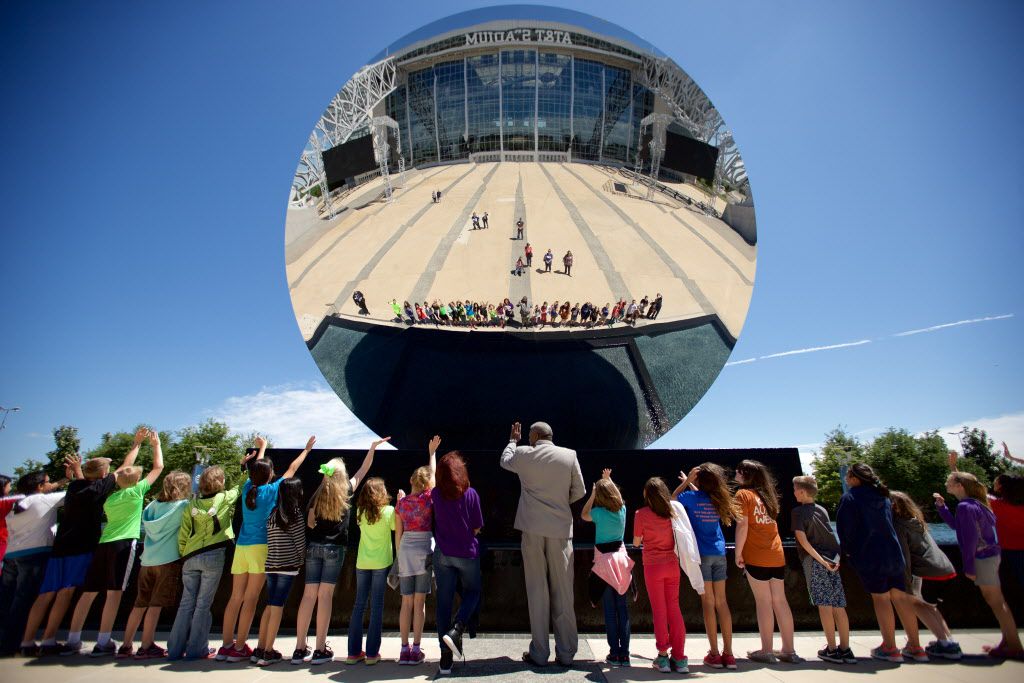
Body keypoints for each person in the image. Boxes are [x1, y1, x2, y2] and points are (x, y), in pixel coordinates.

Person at [66, 428, 165, 657]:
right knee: (114, 593)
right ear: (137, 481)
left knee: (89, 592)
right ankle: (103, 641)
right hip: (123, 545)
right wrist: (154, 444)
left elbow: (121, 470)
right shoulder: (137, 493)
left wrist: (136, 445)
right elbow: (157, 467)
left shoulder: (107, 496)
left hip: (104, 542)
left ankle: (72, 639)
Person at [293, 437, 389, 666]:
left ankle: (299, 649)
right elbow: (364, 470)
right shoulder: (346, 490)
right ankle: (319, 649)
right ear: (342, 475)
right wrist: (372, 449)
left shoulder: (316, 496)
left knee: (308, 597)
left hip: (313, 549)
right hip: (335, 550)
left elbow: (309, 524)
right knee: (325, 597)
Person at [218, 435, 313, 663]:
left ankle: (226, 646)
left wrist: (262, 449)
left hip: (241, 547)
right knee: (251, 598)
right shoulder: (272, 490)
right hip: (261, 548)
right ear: (270, 475)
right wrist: (307, 450)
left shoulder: (247, 489)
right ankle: (241, 647)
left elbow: (256, 471)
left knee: (235, 598)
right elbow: (291, 469)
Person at [501, 421, 585, 667]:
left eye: (529, 435)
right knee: (564, 591)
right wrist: (559, 503)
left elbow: (505, 460)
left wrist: (512, 440)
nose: (528, 438)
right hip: (560, 530)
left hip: (532, 529)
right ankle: (567, 652)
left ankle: (539, 652)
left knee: (537, 590)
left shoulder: (525, 454)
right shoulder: (569, 456)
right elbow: (578, 491)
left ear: (536, 436)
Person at [18, 455, 111, 656]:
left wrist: (76, 473)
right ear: (104, 474)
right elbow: (121, 471)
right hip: (80, 548)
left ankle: (27, 641)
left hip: (60, 546)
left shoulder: (72, 489)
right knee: (65, 593)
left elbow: (80, 484)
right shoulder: (95, 490)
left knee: (46, 594)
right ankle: (49, 639)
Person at [836, 462, 922, 662]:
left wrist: (849, 553)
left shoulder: (850, 498)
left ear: (855, 478)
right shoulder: (883, 496)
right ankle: (916, 646)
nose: (847, 480)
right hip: (893, 554)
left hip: (870, 556)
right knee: (901, 599)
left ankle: (890, 647)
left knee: (881, 599)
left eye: (848, 476)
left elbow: (846, 531)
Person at [935, 468, 1023, 658]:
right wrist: (942, 508)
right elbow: (957, 527)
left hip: (982, 558)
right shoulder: (976, 504)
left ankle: (1015, 646)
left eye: (949, 482)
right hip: (990, 556)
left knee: (997, 603)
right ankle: (1006, 643)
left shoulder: (966, 507)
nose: (946, 484)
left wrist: (969, 566)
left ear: (959, 486)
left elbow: (970, 540)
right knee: (997, 602)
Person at [167, 464, 241, 661]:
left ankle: (174, 649)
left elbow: (184, 532)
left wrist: (183, 552)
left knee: (185, 604)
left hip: (190, 556)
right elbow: (240, 486)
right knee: (203, 604)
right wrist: (245, 466)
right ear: (220, 483)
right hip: (213, 555)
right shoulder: (224, 498)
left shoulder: (191, 505)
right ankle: (196, 649)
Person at [734, 460, 802, 663]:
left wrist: (738, 553)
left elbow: (743, 526)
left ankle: (767, 650)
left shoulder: (742, 495)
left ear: (745, 475)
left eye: (738, 471)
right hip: (776, 555)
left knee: (763, 602)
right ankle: (789, 650)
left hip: (756, 555)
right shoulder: (768, 496)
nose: (735, 473)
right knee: (780, 601)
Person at [120, 470, 192, 659]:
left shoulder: (151, 506)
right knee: (155, 605)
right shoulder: (183, 506)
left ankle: (126, 645)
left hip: (147, 561)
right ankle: (146, 645)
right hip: (167, 561)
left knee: (139, 604)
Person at [672, 464, 738, 669]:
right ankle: (729, 654)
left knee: (708, 604)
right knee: (722, 603)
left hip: (702, 556)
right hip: (719, 554)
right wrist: (692, 482)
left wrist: (685, 482)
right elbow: (702, 499)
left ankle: (715, 654)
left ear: (699, 480)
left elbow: (672, 500)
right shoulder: (718, 499)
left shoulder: (690, 498)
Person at [0, 466, 70, 656]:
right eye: (48, 481)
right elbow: (76, 492)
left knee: (6, 601)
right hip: (34, 554)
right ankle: (15, 644)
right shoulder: (45, 500)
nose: (51, 485)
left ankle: (5, 641)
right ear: (40, 486)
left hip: (12, 555)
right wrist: (74, 477)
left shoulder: (16, 504)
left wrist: (63, 479)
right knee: (23, 602)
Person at [889, 490, 961, 660]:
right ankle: (949, 642)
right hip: (944, 568)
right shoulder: (917, 521)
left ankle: (944, 643)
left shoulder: (899, 525)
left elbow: (904, 556)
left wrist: (905, 584)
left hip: (926, 571)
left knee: (917, 605)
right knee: (930, 606)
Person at [791, 475, 854, 664]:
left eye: (795, 489)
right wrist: (834, 560)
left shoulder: (797, 513)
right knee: (838, 606)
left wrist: (820, 561)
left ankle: (832, 649)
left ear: (802, 492)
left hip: (816, 562)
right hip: (833, 562)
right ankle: (845, 649)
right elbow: (831, 538)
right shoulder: (822, 510)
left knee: (824, 606)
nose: (793, 492)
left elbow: (803, 541)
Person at [433, 451, 484, 675]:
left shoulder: (435, 494)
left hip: (443, 554)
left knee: (443, 603)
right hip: (466, 553)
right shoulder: (471, 494)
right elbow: (477, 527)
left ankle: (445, 661)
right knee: (473, 592)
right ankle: (457, 629)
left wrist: (431, 454)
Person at [634, 477, 689, 673]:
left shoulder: (640, 514)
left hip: (653, 566)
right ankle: (680, 658)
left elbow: (637, 542)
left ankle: (663, 657)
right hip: (672, 565)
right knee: (674, 608)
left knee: (659, 610)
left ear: (647, 494)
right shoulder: (671, 512)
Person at [581, 469, 633, 667]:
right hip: (621, 563)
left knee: (610, 611)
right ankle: (625, 654)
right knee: (623, 610)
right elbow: (619, 498)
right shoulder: (622, 511)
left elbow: (583, 514)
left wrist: (593, 494)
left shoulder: (598, 513)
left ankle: (614, 653)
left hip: (604, 566)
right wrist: (608, 480)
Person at [395, 436, 438, 666]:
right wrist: (432, 454)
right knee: (419, 604)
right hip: (424, 551)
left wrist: (399, 556)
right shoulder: (429, 500)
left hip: (405, 552)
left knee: (406, 603)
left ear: (411, 481)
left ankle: (403, 649)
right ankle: (416, 649)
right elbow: (433, 476)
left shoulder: (401, 504)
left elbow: (397, 534)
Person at [254, 477, 306, 666]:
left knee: (269, 605)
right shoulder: (294, 514)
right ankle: (268, 651)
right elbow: (300, 542)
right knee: (277, 607)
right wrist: (300, 561)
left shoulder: (273, 513)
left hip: (271, 565)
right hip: (287, 567)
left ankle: (260, 647)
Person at [346, 477, 394, 666]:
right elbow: (397, 528)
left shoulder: (360, 511)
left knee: (359, 606)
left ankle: (353, 652)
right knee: (376, 607)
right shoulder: (388, 511)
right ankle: (372, 653)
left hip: (362, 563)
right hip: (381, 563)